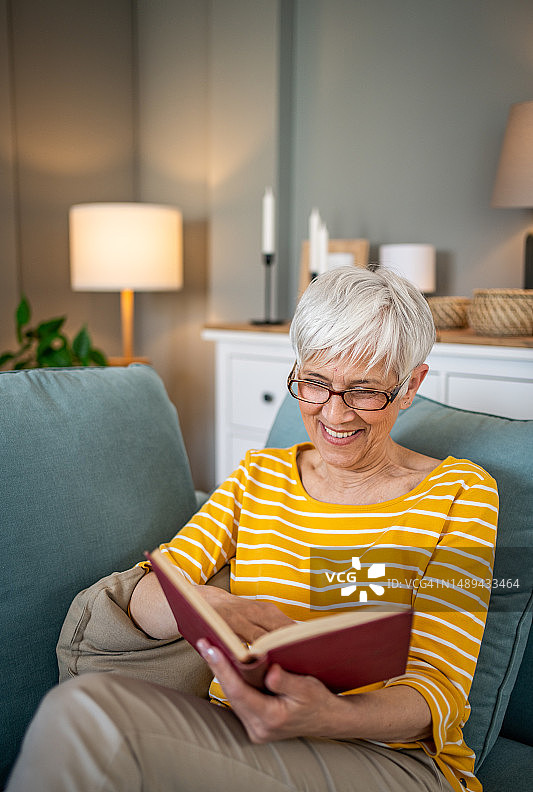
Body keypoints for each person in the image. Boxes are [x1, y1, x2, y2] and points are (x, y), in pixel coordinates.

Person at [7, 267, 498, 792]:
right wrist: (215, 608)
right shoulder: (258, 476)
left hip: (386, 758)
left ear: (410, 387)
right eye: (314, 383)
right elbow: (150, 600)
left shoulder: (460, 495)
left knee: (91, 723)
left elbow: (437, 692)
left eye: (363, 390)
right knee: (85, 708)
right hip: (245, 734)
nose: (334, 413)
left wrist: (325, 716)